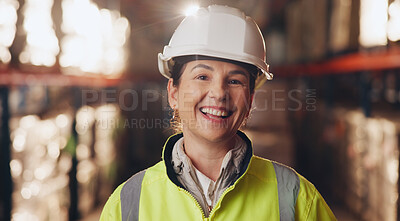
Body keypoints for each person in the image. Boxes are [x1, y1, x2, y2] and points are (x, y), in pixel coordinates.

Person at [100, 5, 337, 220]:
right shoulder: (127, 203)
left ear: (251, 101)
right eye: (202, 76)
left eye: (235, 81)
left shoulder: (296, 198)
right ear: (173, 93)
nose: (219, 93)